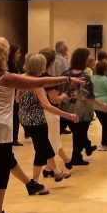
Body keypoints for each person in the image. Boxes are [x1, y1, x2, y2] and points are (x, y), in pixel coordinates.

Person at [0, 36, 84, 213]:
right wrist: (67, 78)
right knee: (0, 167)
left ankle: (30, 184)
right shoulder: (7, 77)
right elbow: (41, 81)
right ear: (3, 55)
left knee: (4, 157)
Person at [19, 53, 76, 183]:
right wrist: (68, 115)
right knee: (41, 150)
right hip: (37, 121)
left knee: (45, 146)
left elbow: (17, 98)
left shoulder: (22, 78)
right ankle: (35, 181)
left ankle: (55, 171)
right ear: (42, 67)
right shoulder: (37, 85)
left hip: (24, 119)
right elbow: (48, 106)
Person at [39, 48, 73, 176]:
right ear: (51, 62)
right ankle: (54, 169)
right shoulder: (48, 79)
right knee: (52, 140)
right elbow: (55, 99)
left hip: (38, 113)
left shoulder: (32, 76)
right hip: (49, 113)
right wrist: (66, 94)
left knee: (53, 139)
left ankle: (53, 166)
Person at [61, 48, 97, 166]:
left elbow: (61, 90)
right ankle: (77, 156)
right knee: (80, 134)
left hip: (66, 109)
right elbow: (89, 96)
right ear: (83, 60)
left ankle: (79, 154)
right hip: (82, 110)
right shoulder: (85, 76)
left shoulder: (65, 73)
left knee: (78, 134)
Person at [52, 41, 71, 135]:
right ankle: (60, 127)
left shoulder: (53, 58)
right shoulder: (62, 60)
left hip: (52, 84)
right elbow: (66, 74)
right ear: (63, 49)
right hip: (60, 85)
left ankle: (59, 127)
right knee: (62, 105)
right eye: (66, 48)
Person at [8, 44, 24, 146]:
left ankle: (14, 138)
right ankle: (13, 138)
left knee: (15, 116)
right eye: (18, 53)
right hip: (13, 94)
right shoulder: (10, 65)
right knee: (14, 117)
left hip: (15, 93)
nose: (19, 55)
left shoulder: (14, 64)